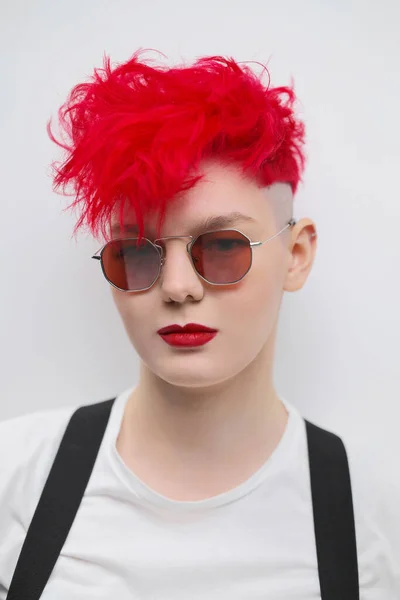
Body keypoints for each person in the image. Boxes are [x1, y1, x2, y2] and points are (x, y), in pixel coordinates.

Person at [0, 50, 398, 600]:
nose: (179, 287)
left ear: (297, 254)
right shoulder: (16, 477)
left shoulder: (373, 513)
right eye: (135, 252)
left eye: (223, 246)